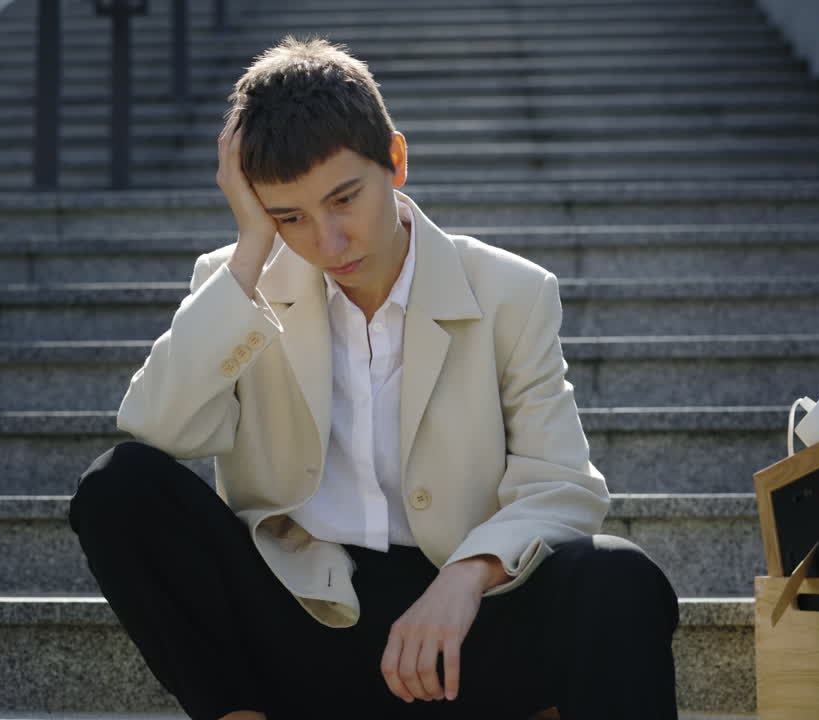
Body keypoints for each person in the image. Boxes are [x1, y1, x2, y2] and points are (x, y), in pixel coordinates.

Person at [68, 35, 680, 720]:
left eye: (344, 200)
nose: (327, 242)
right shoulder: (239, 287)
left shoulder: (511, 291)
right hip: (300, 623)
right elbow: (158, 427)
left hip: (455, 638)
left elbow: (564, 487)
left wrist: (466, 578)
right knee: (117, 486)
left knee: (621, 578)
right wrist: (250, 246)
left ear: (395, 159)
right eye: (289, 216)